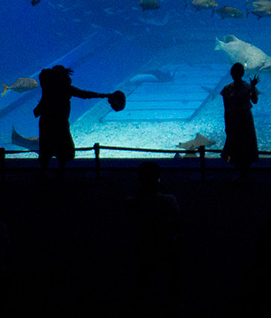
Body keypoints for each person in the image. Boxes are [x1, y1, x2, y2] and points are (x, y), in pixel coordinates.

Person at [32, 65, 114, 181]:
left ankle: (47, 174)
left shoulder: (50, 87)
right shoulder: (55, 87)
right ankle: (54, 174)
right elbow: (85, 94)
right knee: (58, 150)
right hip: (56, 124)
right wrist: (105, 95)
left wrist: (105, 95)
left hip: (51, 123)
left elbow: (85, 94)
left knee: (53, 150)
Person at [126, 161, 181, 314]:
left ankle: (138, 301)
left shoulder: (131, 203)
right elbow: (177, 223)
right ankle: (173, 301)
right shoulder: (169, 200)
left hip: (143, 245)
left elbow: (130, 223)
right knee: (170, 274)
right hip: (167, 245)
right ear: (158, 178)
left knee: (142, 275)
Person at [220, 62, 260, 179]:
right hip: (241, 120)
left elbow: (254, 100)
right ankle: (243, 172)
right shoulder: (229, 89)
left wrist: (253, 86)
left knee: (244, 144)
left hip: (241, 120)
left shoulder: (233, 88)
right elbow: (254, 101)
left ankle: (244, 172)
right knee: (240, 144)